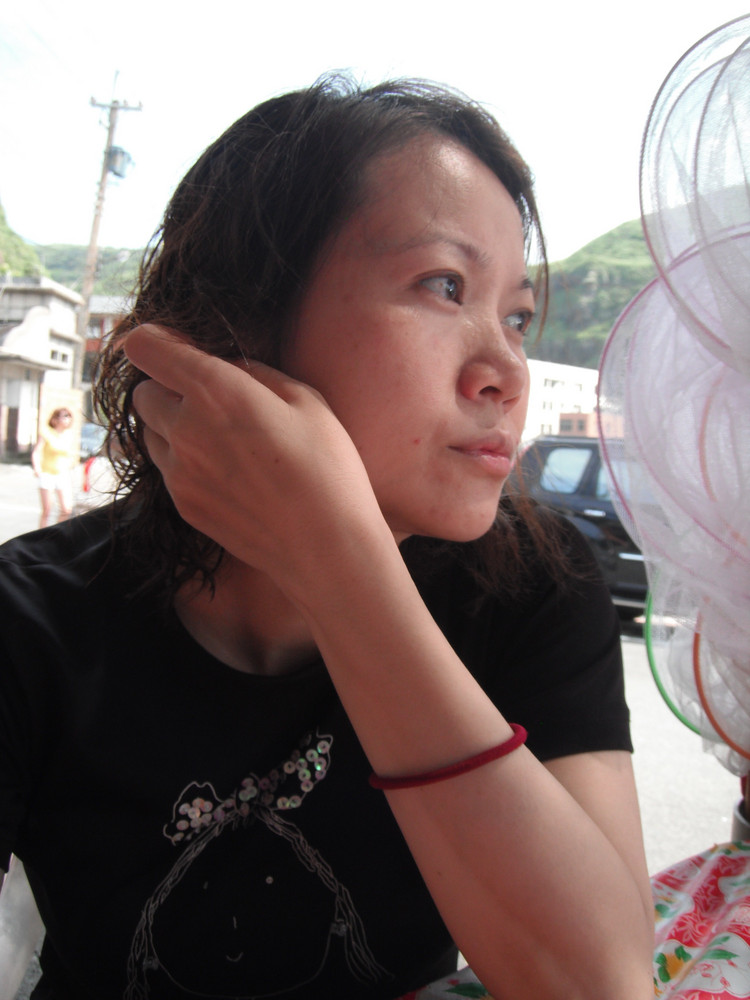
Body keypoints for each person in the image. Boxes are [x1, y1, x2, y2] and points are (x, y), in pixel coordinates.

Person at [0, 77, 655, 999]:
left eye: (514, 315)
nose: (507, 370)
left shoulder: (534, 587)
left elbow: (604, 984)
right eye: (444, 285)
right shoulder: (31, 621)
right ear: (239, 322)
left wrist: (342, 568)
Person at [30, 407, 76, 527]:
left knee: (66, 509)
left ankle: (55, 532)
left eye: (68, 416)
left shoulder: (68, 435)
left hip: (62, 474)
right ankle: (42, 534)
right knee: (47, 510)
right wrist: (37, 467)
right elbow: (37, 452)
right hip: (47, 473)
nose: (67, 419)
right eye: (64, 416)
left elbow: (71, 454)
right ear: (55, 419)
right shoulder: (47, 433)